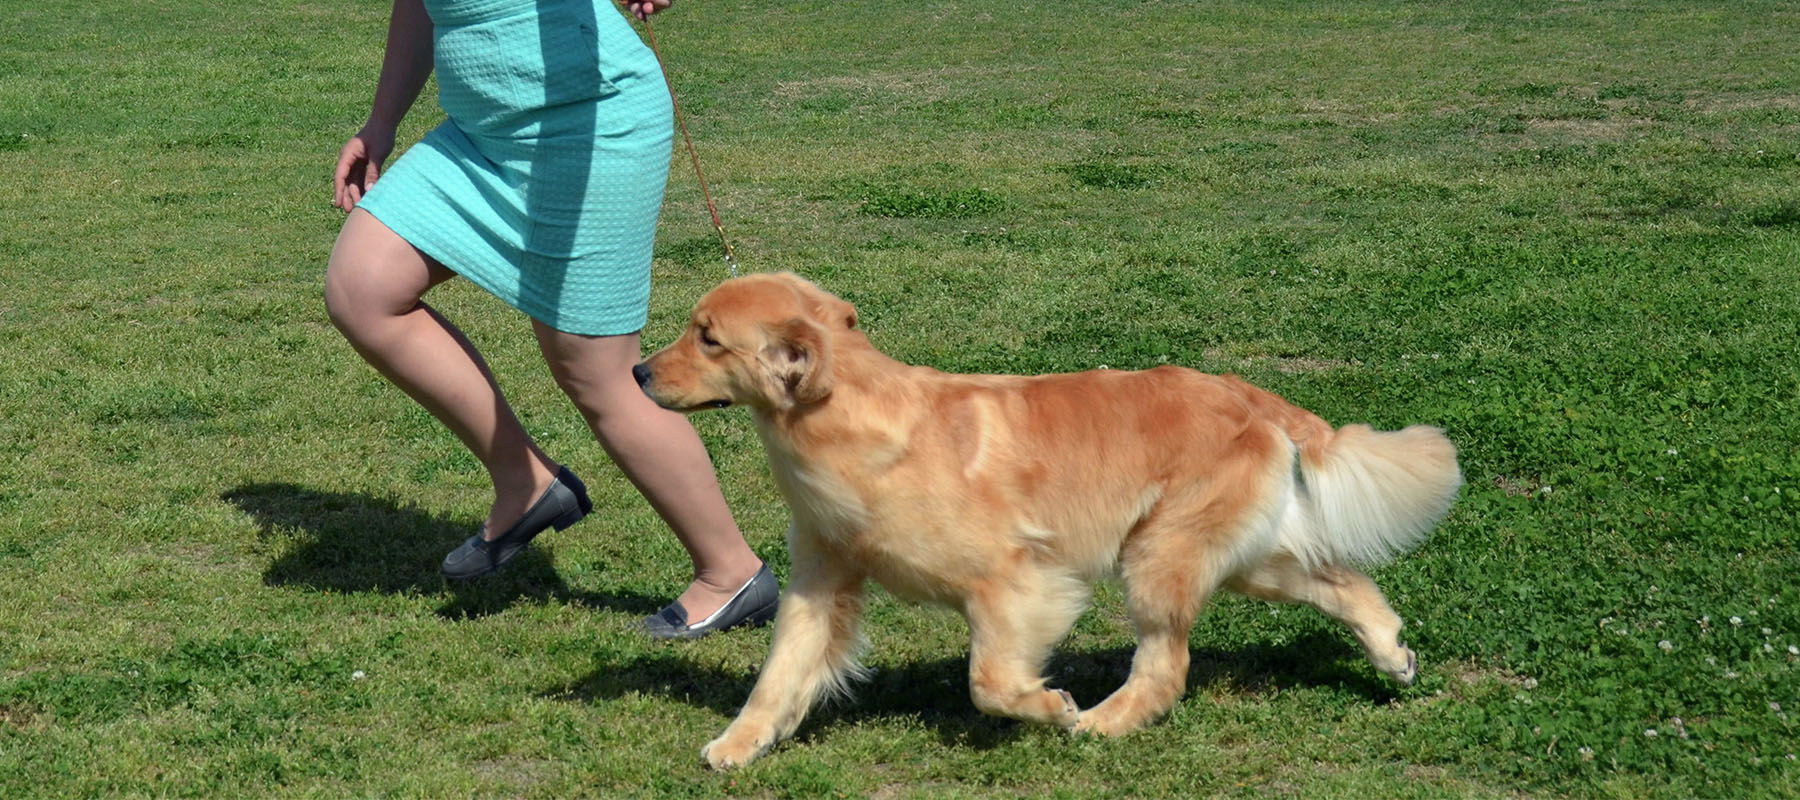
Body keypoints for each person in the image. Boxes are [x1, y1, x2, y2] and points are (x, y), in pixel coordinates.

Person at [323, 0, 775, 639]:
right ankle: (525, 482)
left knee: (596, 372)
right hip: (481, 136)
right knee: (361, 287)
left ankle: (732, 573)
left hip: (587, 124)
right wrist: (381, 121)